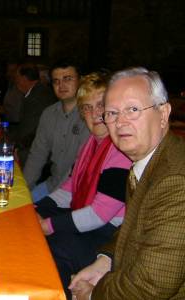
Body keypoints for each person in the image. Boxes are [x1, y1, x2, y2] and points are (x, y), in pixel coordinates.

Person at [70, 67, 185, 300]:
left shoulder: (175, 180)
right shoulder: (147, 161)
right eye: (112, 113)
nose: (120, 122)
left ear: (163, 113)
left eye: (132, 110)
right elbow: (134, 226)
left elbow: (151, 285)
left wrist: (94, 294)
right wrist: (104, 261)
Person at [36, 72, 131, 298]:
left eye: (101, 105)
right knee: (37, 235)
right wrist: (37, 210)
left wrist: (47, 225)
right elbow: (70, 187)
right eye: (87, 108)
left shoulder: (121, 150)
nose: (95, 113)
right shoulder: (91, 144)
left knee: (55, 246)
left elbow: (99, 214)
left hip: (112, 236)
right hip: (91, 222)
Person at [24, 59, 90, 202]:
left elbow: (79, 166)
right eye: (56, 81)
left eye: (67, 79)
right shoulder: (49, 114)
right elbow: (37, 155)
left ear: (80, 81)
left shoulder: (90, 115)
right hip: (52, 184)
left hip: (77, 191)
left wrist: (52, 200)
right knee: (17, 207)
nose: (61, 85)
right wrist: (24, 189)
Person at [10, 62, 56, 165]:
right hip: (32, 150)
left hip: (36, 157)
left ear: (24, 78)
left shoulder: (38, 97)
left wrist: (15, 147)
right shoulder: (36, 92)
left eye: (17, 77)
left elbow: (30, 130)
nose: (15, 80)